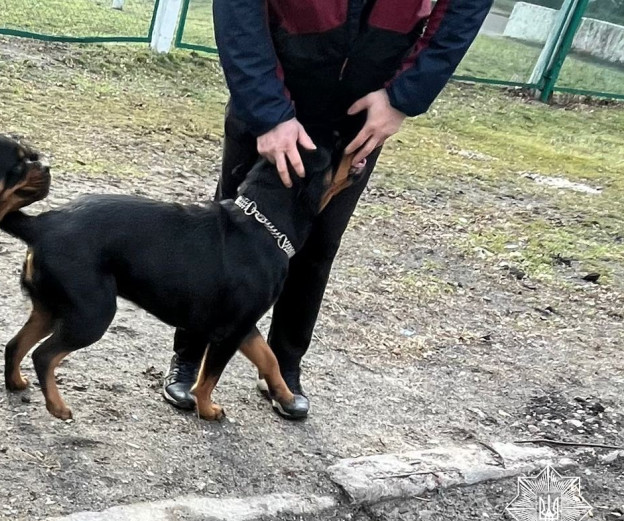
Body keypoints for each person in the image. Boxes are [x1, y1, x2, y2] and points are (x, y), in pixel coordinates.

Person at [163, 0, 493, 419]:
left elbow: (464, 9)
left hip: (363, 107)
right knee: (230, 232)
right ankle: (193, 353)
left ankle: (283, 368)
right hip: (280, 85)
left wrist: (403, 98)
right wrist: (267, 112)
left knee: (318, 244)